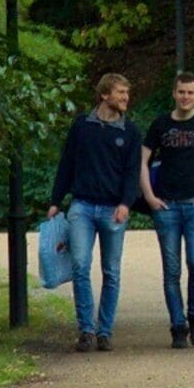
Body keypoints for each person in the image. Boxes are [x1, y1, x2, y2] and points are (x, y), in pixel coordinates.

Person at [49, 72, 147, 352]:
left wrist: (126, 204)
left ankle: (105, 330)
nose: (125, 98)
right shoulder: (81, 126)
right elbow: (67, 163)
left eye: (127, 93)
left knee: (111, 272)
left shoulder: (130, 132)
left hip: (113, 208)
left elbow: (132, 173)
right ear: (104, 95)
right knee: (80, 266)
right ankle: (86, 330)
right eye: (120, 93)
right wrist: (56, 199)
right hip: (82, 206)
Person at [141, 74, 194, 349]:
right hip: (166, 207)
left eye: (190, 92)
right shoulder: (160, 124)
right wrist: (150, 197)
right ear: (174, 93)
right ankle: (178, 325)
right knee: (171, 270)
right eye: (181, 92)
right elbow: (142, 162)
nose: (185, 97)